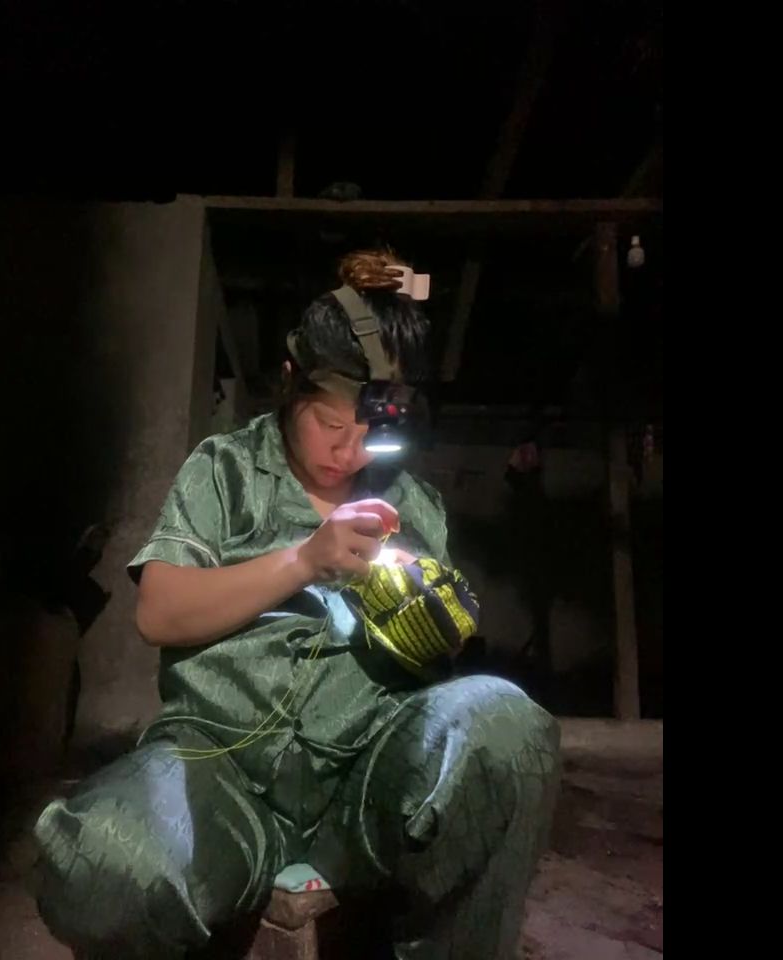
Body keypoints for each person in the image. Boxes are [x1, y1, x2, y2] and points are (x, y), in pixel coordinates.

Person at [34, 249, 560, 959]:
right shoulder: (225, 470)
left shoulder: (412, 503)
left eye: (372, 432)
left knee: (509, 728)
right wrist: (305, 560)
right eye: (331, 425)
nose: (352, 452)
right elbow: (159, 612)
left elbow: (439, 679)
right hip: (217, 768)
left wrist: (437, 627)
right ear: (289, 383)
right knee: (100, 866)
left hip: (365, 782)